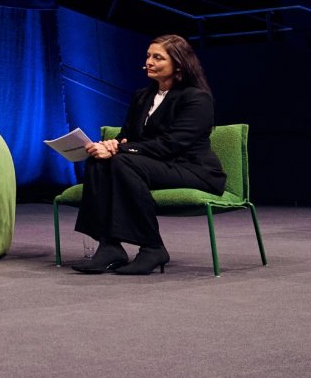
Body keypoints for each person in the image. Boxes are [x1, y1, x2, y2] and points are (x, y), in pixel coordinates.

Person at [71, 34, 225, 275]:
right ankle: (109, 246)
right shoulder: (142, 96)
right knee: (98, 161)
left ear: (179, 64)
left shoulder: (196, 98)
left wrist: (120, 149)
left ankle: (152, 247)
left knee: (123, 162)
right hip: (155, 165)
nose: (149, 62)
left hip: (192, 169)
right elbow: (127, 135)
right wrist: (111, 145)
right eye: (148, 56)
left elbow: (171, 144)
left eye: (158, 57)